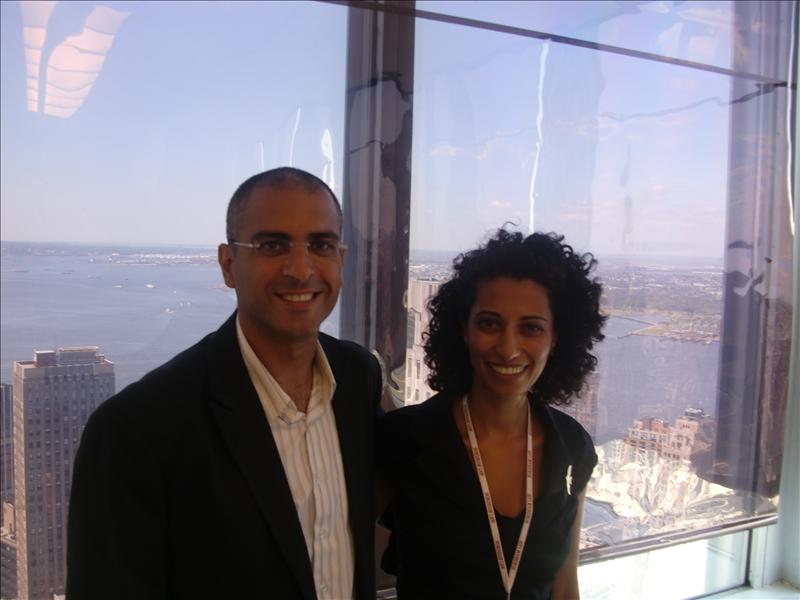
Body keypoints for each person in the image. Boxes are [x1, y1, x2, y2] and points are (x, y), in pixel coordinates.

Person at [66, 167, 383, 599]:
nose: (300, 269)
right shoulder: (136, 430)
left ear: (341, 261)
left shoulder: (358, 378)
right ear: (228, 265)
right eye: (272, 245)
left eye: (321, 245)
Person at [379, 229, 606, 599]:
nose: (508, 348)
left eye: (531, 328)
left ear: (556, 337)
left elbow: (565, 584)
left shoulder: (571, 446)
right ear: (463, 329)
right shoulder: (404, 439)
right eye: (489, 323)